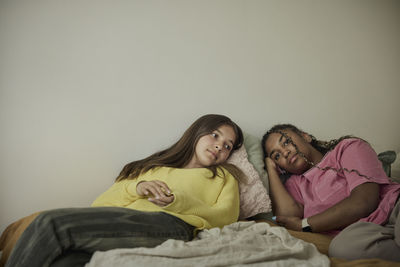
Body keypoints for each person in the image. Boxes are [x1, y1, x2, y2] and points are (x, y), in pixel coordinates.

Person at [5, 114, 244, 267]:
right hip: (125, 223)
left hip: (171, 224)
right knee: (65, 261)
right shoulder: (153, 167)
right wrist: (137, 188)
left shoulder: (223, 176)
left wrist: (177, 201)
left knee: (51, 223)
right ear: (197, 132)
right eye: (215, 135)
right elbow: (102, 203)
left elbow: (225, 217)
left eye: (227, 145)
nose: (219, 146)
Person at [261, 124, 400, 262]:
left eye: (286, 142)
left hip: (393, 210)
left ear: (305, 137)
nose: (285, 153)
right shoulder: (295, 185)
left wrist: (305, 224)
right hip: (362, 235)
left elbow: (364, 201)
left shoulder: (347, 148)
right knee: (342, 248)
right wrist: (271, 170)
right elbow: (287, 221)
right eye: (277, 155)